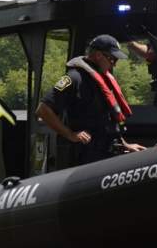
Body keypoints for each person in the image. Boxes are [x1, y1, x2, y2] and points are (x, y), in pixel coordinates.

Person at [35, 34, 145, 166]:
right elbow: (43, 110)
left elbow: (107, 122)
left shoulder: (104, 79)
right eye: (112, 59)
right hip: (86, 157)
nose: (114, 64)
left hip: (107, 154)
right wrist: (71, 135)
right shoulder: (74, 78)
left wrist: (125, 145)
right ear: (98, 55)